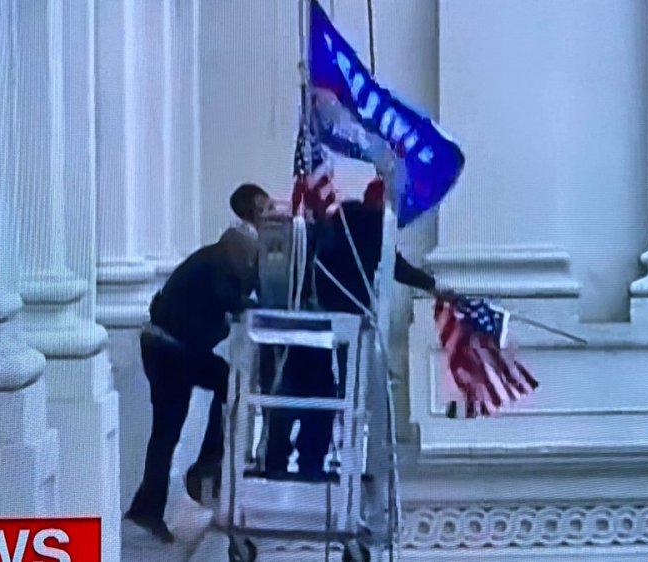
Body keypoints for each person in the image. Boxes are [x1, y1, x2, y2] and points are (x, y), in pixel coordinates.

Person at [124, 183, 273, 543]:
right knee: (168, 430)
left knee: (224, 382)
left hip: (175, 348)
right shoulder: (227, 259)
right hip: (169, 351)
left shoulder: (221, 255)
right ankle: (167, 494)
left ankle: (202, 466)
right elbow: (232, 301)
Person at [262, 178, 437, 480]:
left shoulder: (335, 224)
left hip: (308, 318)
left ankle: (277, 460)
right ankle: (314, 463)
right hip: (345, 325)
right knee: (333, 395)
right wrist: (433, 285)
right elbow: (397, 267)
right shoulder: (373, 230)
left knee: (296, 388)